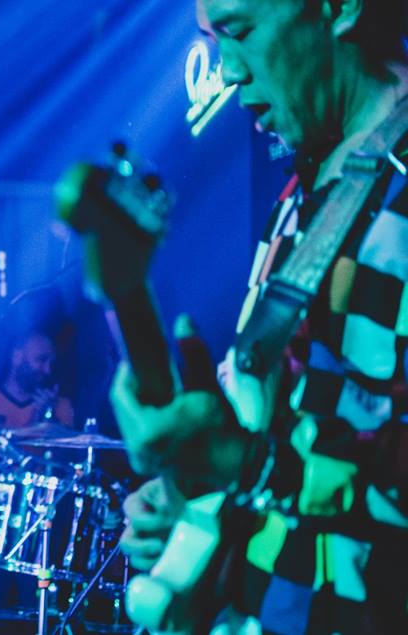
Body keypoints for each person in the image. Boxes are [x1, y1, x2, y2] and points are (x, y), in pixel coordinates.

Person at [112, 1, 407, 633]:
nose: (227, 71)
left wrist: (248, 465)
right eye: (213, 39)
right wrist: (194, 495)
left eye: (240, 30)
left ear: (340, 8)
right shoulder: (306, 190)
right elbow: (296, 428)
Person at [0, 331, 76, 440]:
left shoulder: (60, 404)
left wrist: (50, 416)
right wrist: (34, 427)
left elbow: (71, 450)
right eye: (41, 360)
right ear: (17, 357)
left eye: (51, 363)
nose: (47, 370)